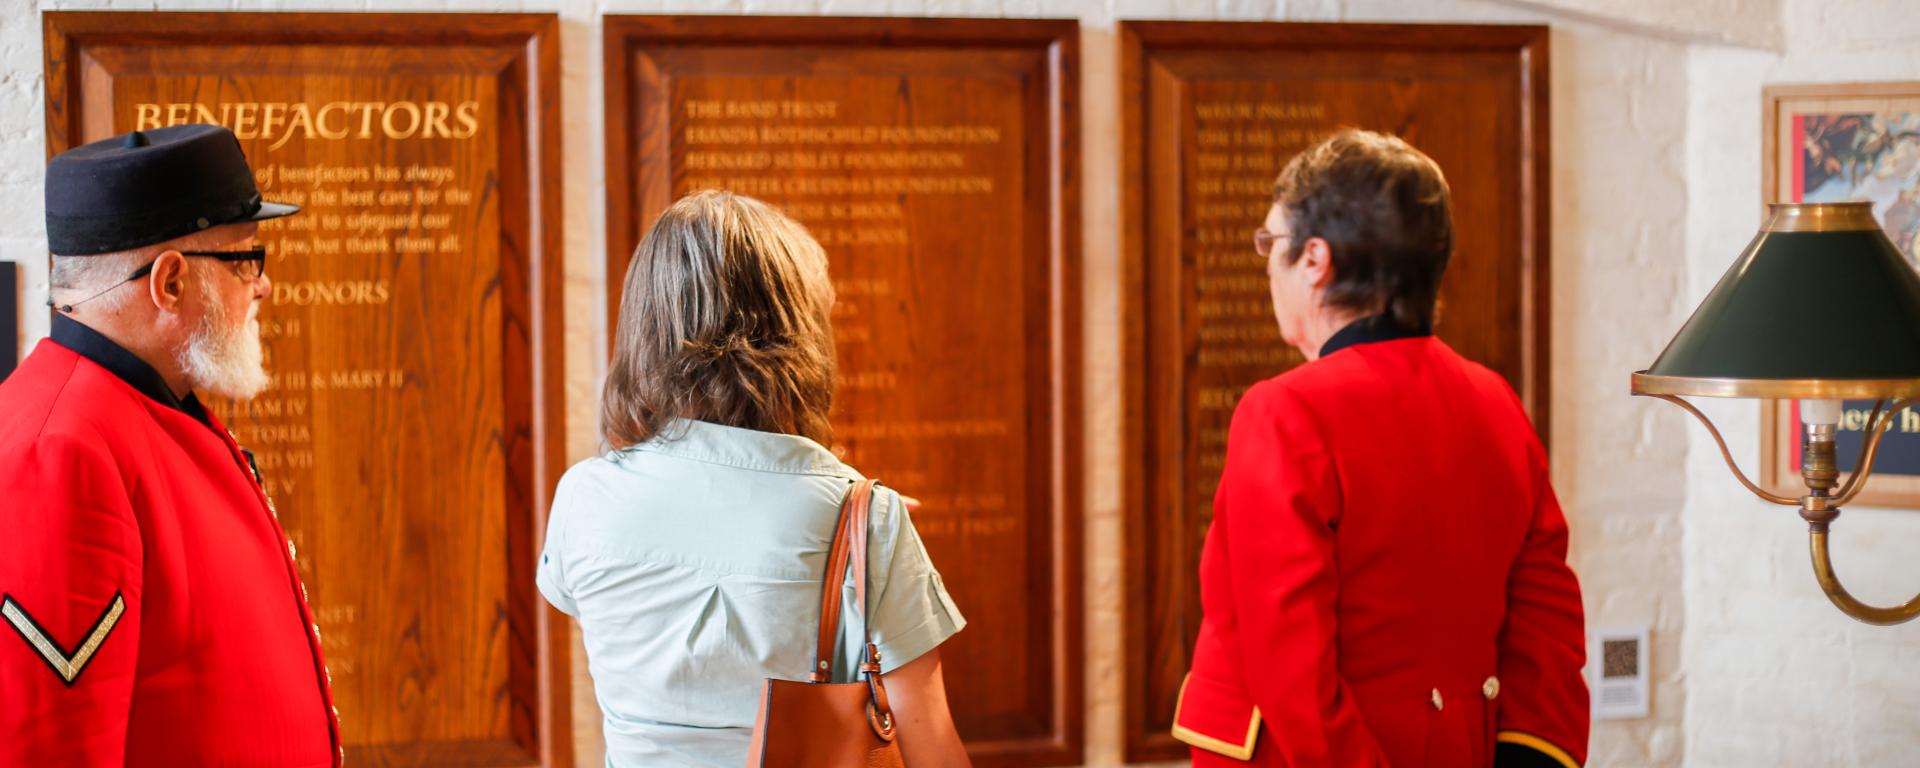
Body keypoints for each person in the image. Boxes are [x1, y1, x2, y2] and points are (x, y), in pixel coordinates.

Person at [1174, 130, 1589, 768]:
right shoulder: (1495, 401)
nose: (1266, 266)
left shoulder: (1285, 411)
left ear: (1316, 259)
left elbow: (1290, 664)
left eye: (1271, 243)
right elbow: (1546, 626)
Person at [537, 190, 971, 767]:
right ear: (798, 337)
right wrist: (868, 531)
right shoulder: (864, 516)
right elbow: (933, 749)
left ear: (645, 332)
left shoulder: (582, 496)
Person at [0, 125, 340, 765]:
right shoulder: (61, 451)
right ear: (171, 283)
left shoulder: (147, 409)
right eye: (246, 260)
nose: (262, 285)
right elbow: (51, 750)